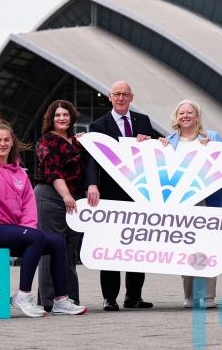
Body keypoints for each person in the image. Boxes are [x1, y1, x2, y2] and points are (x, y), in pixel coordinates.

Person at [0, 120, 87, 318]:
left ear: (12, 142)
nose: (2, 144)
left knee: (56, 242)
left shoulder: (20, 172)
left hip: (11, 231)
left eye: (6, 140)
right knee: (36, 237)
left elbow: (28, 206)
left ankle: (60, 300)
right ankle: (23, 295)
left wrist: (26, 232)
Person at [86, 80, 155, 311]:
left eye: (125, 94)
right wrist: (92, 184)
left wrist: (150, 143)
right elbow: (93, 158)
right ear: (110, 97)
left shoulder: (143, 121)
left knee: (137, 245)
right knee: (111, 245)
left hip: (139, 193)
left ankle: (133, 296)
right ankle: (110, 297)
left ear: (131, 97)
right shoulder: (98, 125)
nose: (121, 98)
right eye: (117, 94)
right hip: (110, 193)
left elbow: (155, 153)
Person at [161, 100, 222, 309]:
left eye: (190, 112)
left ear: (197, 116)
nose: (186, 116)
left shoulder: (211, 137)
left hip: (206, 201)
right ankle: (189, 296)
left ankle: (208, 296)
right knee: (185, 249)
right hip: (179, 204)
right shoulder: (167, 141)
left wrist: (216, 149)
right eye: (182, 113)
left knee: (207, 248)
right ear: (176, 117)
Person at [35, 100, 87, 312]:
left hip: (75, 199)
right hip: (51, 196)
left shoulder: (77, 141)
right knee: (51, 248)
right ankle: (49, 300)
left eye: (65, 114)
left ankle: (69, 299)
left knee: (69, 251)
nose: (62, 118)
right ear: (51, 118)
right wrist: (66, 196)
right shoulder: (46, 140)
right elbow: (53, 171)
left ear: (72, 117)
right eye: (57, 115)